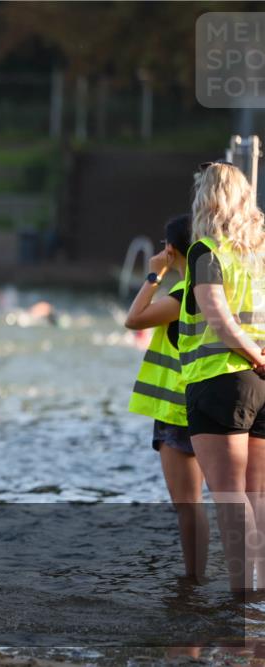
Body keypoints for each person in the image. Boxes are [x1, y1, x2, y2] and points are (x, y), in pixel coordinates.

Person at [178, 161, 265, 593]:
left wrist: (250, 353)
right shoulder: (261, 251)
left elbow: (219, 317)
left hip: (221, 379)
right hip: (263, 383)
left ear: (206, 200)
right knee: (258, 495)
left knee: (230, 495)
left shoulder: (206, 251)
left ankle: (240, 593)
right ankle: (261, 592)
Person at [125, 214, 208, 581]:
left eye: (164, 246)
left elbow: (134, 318)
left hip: (177, 409)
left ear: (172, 250)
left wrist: (153, 275)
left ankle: (193, 579)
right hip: (206, 402)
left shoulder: (183, 294)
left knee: (187, 505)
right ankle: (204, 579)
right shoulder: (217, 289)